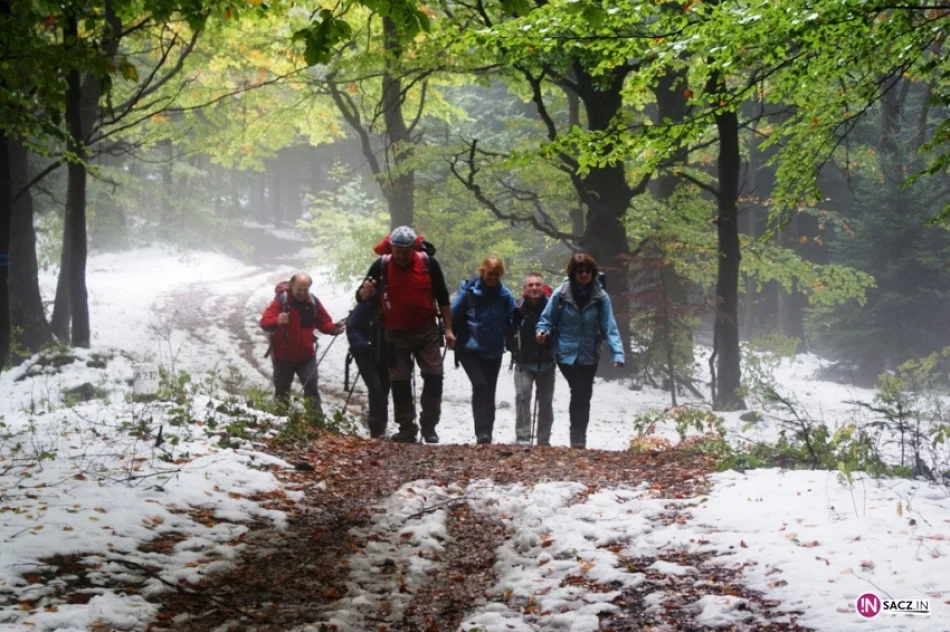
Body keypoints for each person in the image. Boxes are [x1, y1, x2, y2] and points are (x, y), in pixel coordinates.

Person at [355, 226, 455, 443]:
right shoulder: (381, 265)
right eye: (396, 251)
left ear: (413, 248)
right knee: (399, 381)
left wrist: (448, 329)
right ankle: (407, 428)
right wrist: (366, 292)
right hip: (393, 333)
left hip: (426, 330)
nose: (400, 256)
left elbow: (443, 297)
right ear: (391, 248)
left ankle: (429, 426)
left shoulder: (428, 263)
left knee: (434, 375)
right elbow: (361, 295)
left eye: (405, 251)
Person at [536, 254, 624, 449]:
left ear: (593, 273)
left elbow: (610, 326)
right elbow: (546, 319)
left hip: (589, 353)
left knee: (585, 395)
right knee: (579, 389)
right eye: (579, 271)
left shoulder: (601, 298)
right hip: (565, 353)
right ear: (573, 273)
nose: (583, 274)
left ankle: (580, 436)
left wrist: (617, 353)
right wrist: (542, 332)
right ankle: (576, 435)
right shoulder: (561, 294)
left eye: (587, 271)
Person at [260, 272, 344, 415]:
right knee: (282, 391)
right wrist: (277, 321)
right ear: (291, 285)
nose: (302, 293)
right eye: (299, 289)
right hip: (282, 356)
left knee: (311, 387)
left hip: (306, 356)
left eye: (305, 289)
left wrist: (334, 329)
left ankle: (316, 423)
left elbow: (323, 322)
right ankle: (280, 421)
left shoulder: (312, 302)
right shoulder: (281, 301)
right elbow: (264, 322)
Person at [453, 255, 516, 445]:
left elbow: (511, 319)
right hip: (469, 349)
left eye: (497, 275)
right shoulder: (469, 292)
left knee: (489, 391)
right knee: (480, 386)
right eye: (490, 274)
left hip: (493, 349)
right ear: (483, 272)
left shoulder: (505, 295)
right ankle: (481, 432)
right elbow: (454, 315)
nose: (493, 278)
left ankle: (488, 432)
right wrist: (449, 334)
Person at [509, 272, 556, 446]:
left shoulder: (552, 307)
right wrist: (512, 347)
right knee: (522, 398)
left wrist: (548, 339)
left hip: (547, 363)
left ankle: (543, 440)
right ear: (525, 289)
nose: (535, 288)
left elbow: (558, 331)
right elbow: (509, 329)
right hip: (523, 363)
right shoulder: (517, 308)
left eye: (538, 285)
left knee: (545, 403)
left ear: (543, 288)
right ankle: (523, 438)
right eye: (531, 285)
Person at [346, 297, 390, 439]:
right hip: (365, 354)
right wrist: (362, 344)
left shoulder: (393, 304)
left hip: (385, 353)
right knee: (376, 389)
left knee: (383, 389)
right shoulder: (366, 305)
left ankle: (380, 428)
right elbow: (352, 327)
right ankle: (377, 429)